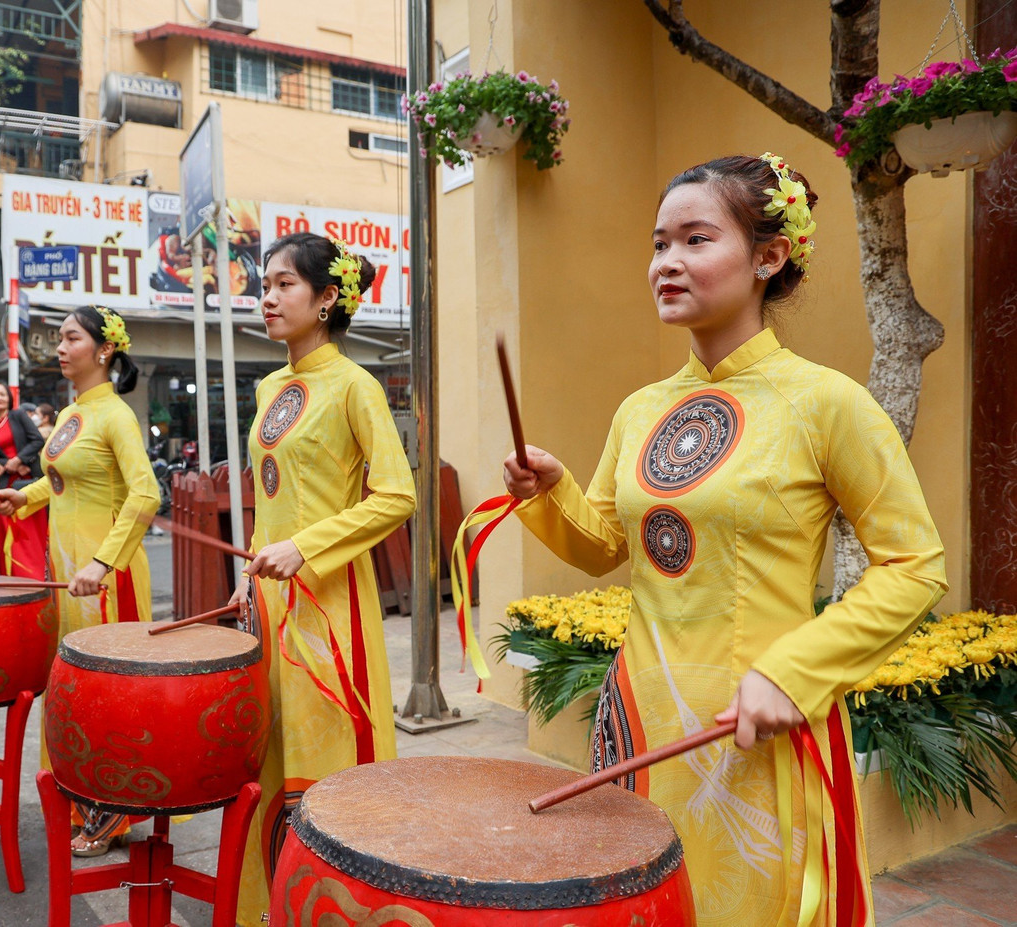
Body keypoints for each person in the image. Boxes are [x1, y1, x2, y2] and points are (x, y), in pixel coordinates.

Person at [500, 153, 947, 926]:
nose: (666, 263)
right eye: (658, 243)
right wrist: (552, 493)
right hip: (642, 721)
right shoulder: (641, 408)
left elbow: (914, 565)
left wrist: (794, 673)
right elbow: (605, 543)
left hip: (755, 727)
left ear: (769, 257)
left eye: (695, 240)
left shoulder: (826, 402)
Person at [224, 233, 416, 924]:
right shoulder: (273, 385)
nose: (266, 297)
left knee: (330, 768)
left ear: (327, 296)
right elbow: (268, 495)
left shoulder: (355, 385)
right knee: (270, 756)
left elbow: (397, 495)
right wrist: (250, 569)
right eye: (264, 285)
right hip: (270, 607)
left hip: (329, 611)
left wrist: (305, 547)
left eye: (282, 285)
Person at [0, 306, 158, 858]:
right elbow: (65, 481)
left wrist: (105, 563)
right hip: (68, 572)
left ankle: (113, 811)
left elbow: (146, 494)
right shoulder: (72, 413)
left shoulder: (115, 414)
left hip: (104, 577)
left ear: (104, 349)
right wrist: (28, 497)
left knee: (105, 690)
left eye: (71, 338)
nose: (59, 348)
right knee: (72, 685)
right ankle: (79, 793)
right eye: (58, 339)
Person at [0, 382, 47, 579]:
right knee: (9, 534)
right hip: (5, 483)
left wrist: (20, 459)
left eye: (1, 394)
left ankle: (35, 576)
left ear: (9, 397)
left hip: (29, 484)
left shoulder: (18, 416)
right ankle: (11, 577)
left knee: (31, 534)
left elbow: (37, 440)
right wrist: (9, 463)